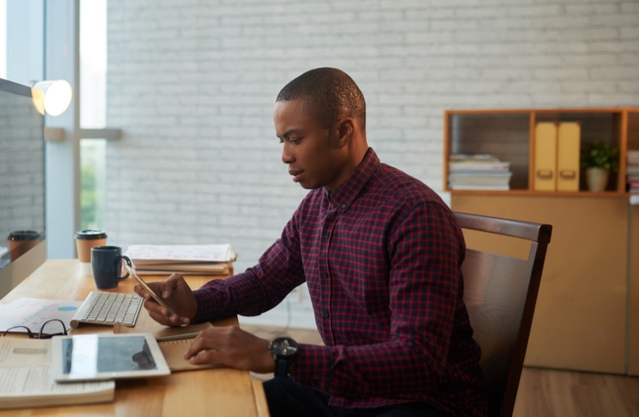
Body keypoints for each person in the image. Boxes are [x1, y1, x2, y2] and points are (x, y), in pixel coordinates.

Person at [134, 67, 487, 417]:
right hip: (345, 392)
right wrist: (195, 303)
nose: (285, 156)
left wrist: (279, 354)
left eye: (296, 139)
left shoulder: (414, 214)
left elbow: (418, 360)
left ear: (343, 132)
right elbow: (264, 282)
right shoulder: (316, 206)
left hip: (421, 402)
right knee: (232, 406)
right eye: (282, 141)